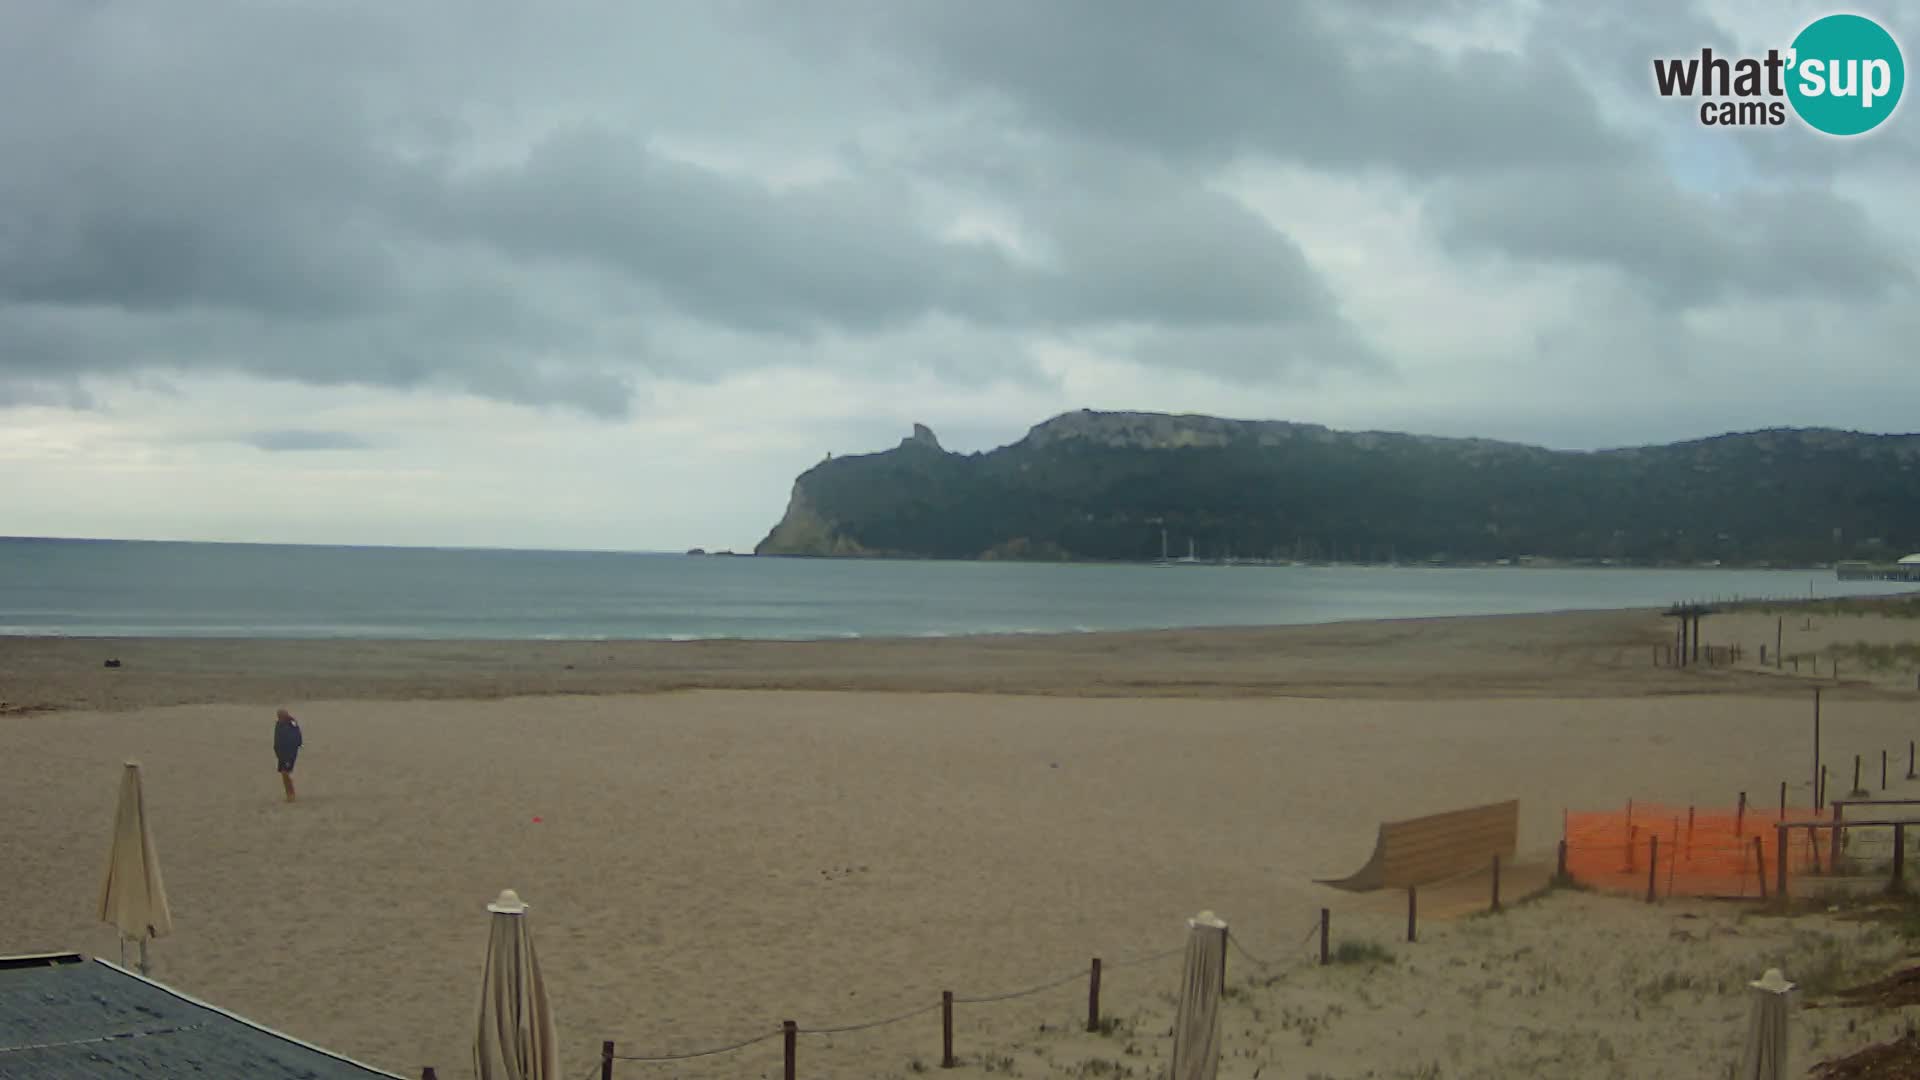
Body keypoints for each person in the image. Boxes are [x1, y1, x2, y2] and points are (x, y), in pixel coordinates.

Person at [273, 708, 303, 802]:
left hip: (289, 753)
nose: (279, 718)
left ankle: (292, 794)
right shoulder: (278, 724)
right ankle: (288, 793)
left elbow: (297, 735)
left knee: (286, 772)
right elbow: (277, 737)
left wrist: (297, 745)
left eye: (281, 716)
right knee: (283, 773)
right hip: (281, 753)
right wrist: (276, 749)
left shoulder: (292, 723)